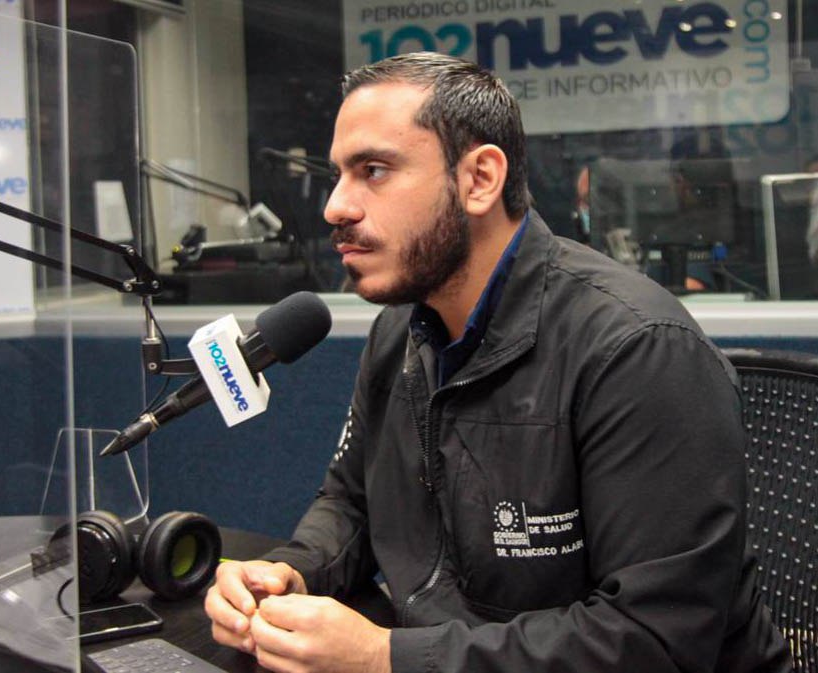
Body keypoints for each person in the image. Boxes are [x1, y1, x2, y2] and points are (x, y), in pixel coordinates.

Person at [204, 52, 789, 673]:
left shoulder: (638, 350)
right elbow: (352, 503)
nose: (335, 207)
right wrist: (291, 571)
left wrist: (384, 657)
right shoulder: (400, 332)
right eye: (339, 174)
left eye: (373, 170)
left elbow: (651, 641)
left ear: (480, 179)